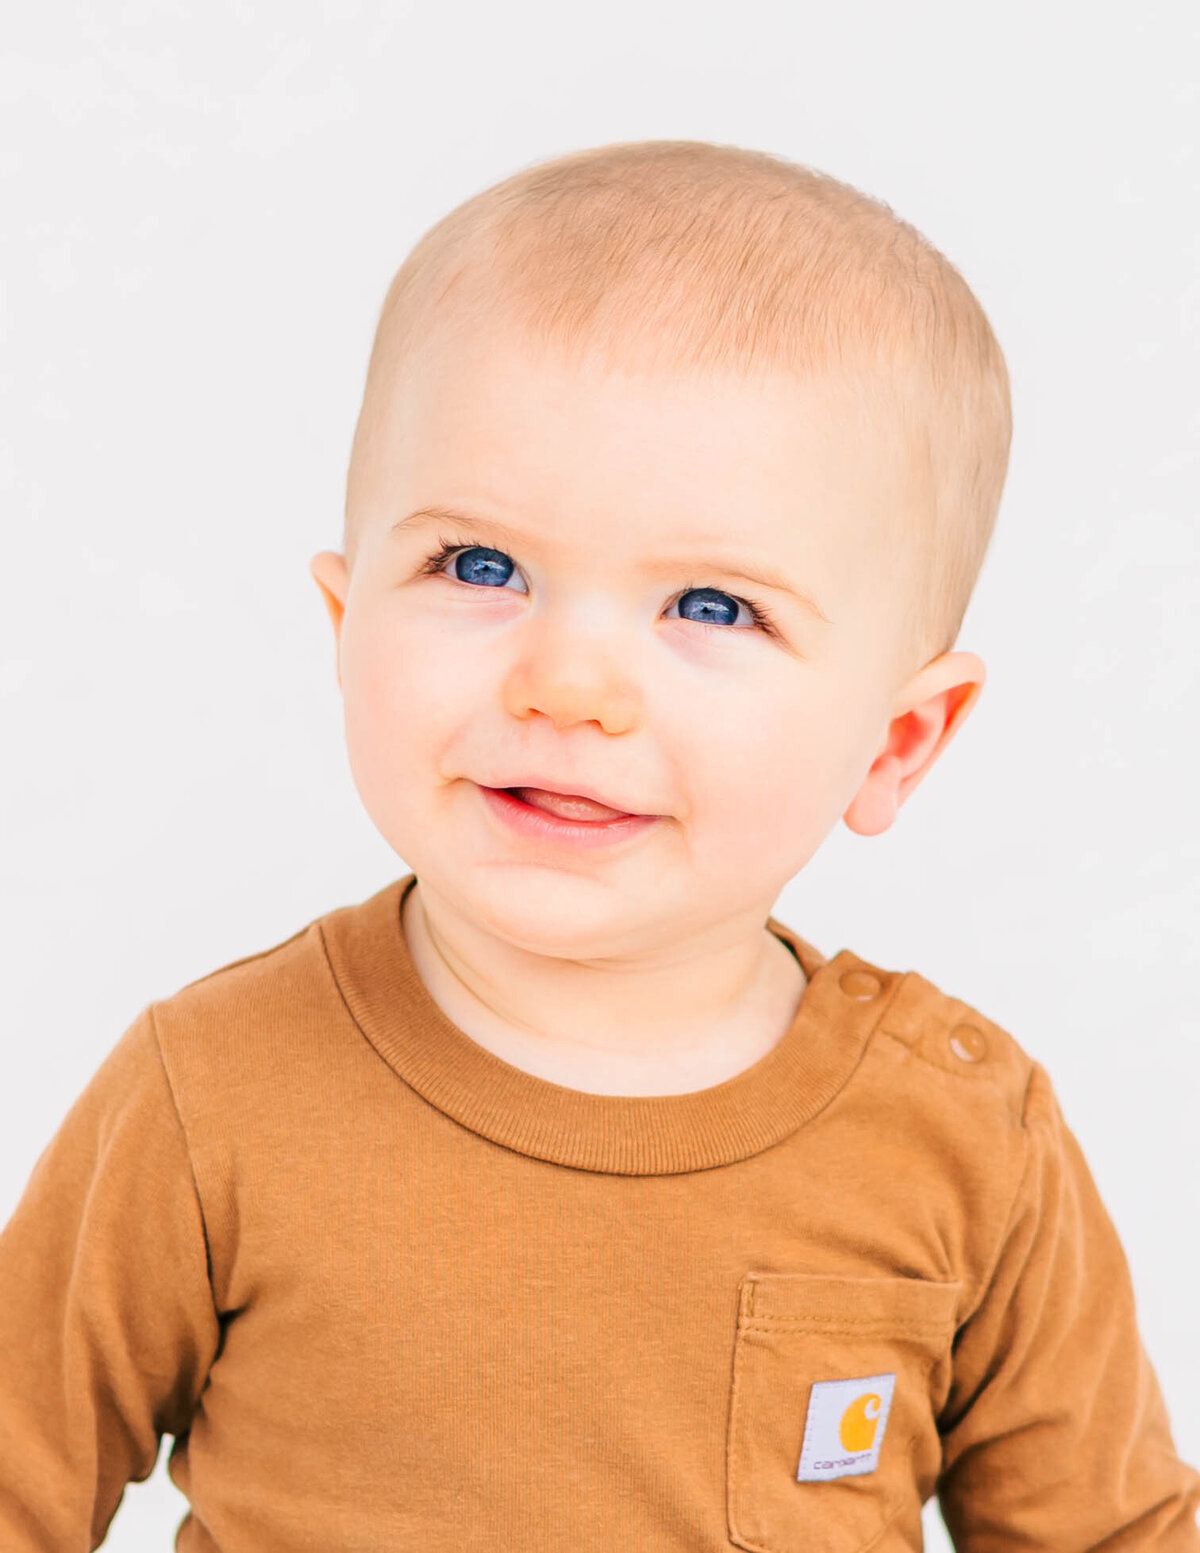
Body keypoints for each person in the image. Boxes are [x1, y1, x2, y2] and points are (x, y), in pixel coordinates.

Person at [2, 138, 1197, 1552]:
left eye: (710, 605)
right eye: (480, 567)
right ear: (345, 631)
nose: (568, 684)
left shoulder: (963, 1138)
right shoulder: (210, 1096)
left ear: (895, 743)